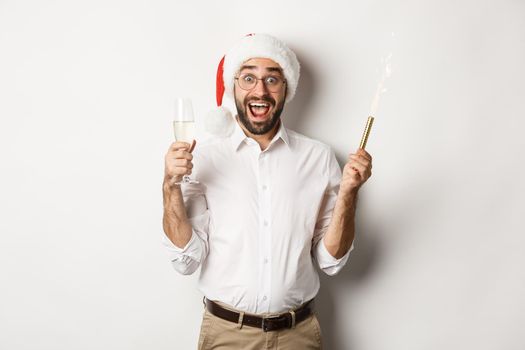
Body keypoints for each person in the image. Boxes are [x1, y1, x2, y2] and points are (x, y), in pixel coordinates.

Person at [162, 33, 372, 350]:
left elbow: (331, 261)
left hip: (297, 335)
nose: (260, 90)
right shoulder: (204, 158)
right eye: (248, 78)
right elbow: (185, 260)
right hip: (227, 335)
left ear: (285, 89)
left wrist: (349, 193)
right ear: (233, 87)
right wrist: (170, 186)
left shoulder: (318, 157)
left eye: (272, 79)